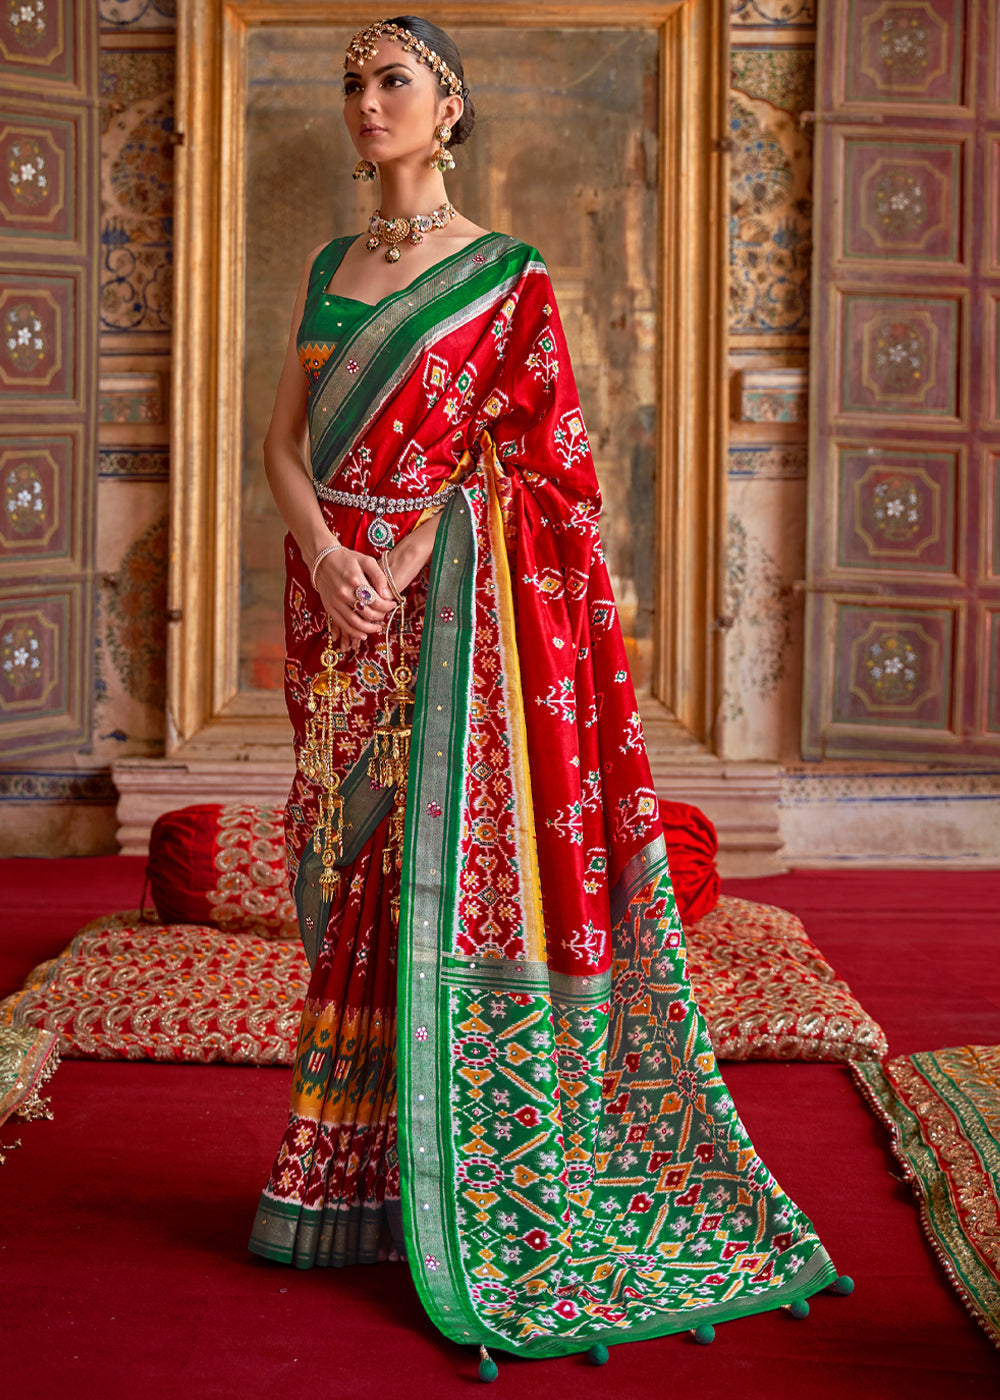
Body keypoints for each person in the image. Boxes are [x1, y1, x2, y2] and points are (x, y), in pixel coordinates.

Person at [249, 15, 844, 1367]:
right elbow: (281, 446)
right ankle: (344, 1180)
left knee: (426, 865)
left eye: (391, 80)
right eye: (353, 83)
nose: (365, 102)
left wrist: (401, 560)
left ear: (448, 108)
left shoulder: (506, 281)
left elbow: (540, 480)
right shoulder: (329, 266)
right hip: (336, 605)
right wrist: (332, 555)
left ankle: (464, 1181)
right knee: (343, 874)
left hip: (444, 610)